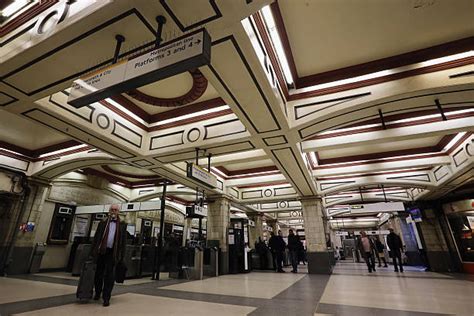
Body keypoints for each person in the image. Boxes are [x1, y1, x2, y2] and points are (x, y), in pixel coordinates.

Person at [91, 204, 127, 307]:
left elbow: (123, 242)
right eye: (112, 210)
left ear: (118, 212)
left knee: (109, 275)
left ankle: (106, 297)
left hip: (113, 252)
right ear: (109, 211)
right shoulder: (102, 223)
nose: (113, 211)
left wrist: (121, 256)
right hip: (101, 251)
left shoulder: (122, 225)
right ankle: (98, 292)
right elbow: (96, 238)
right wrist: (92, 252)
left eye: (115, 210)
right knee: (98, 273)